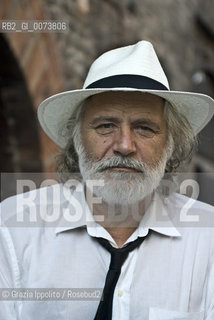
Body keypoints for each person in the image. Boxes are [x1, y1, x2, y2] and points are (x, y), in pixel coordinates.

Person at [0, 40, 214, 320]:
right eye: (105, 126)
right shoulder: (12, 228)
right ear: (76, 139)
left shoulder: (208, 239)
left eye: (144, 128)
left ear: (170, 144)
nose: (124, 145)